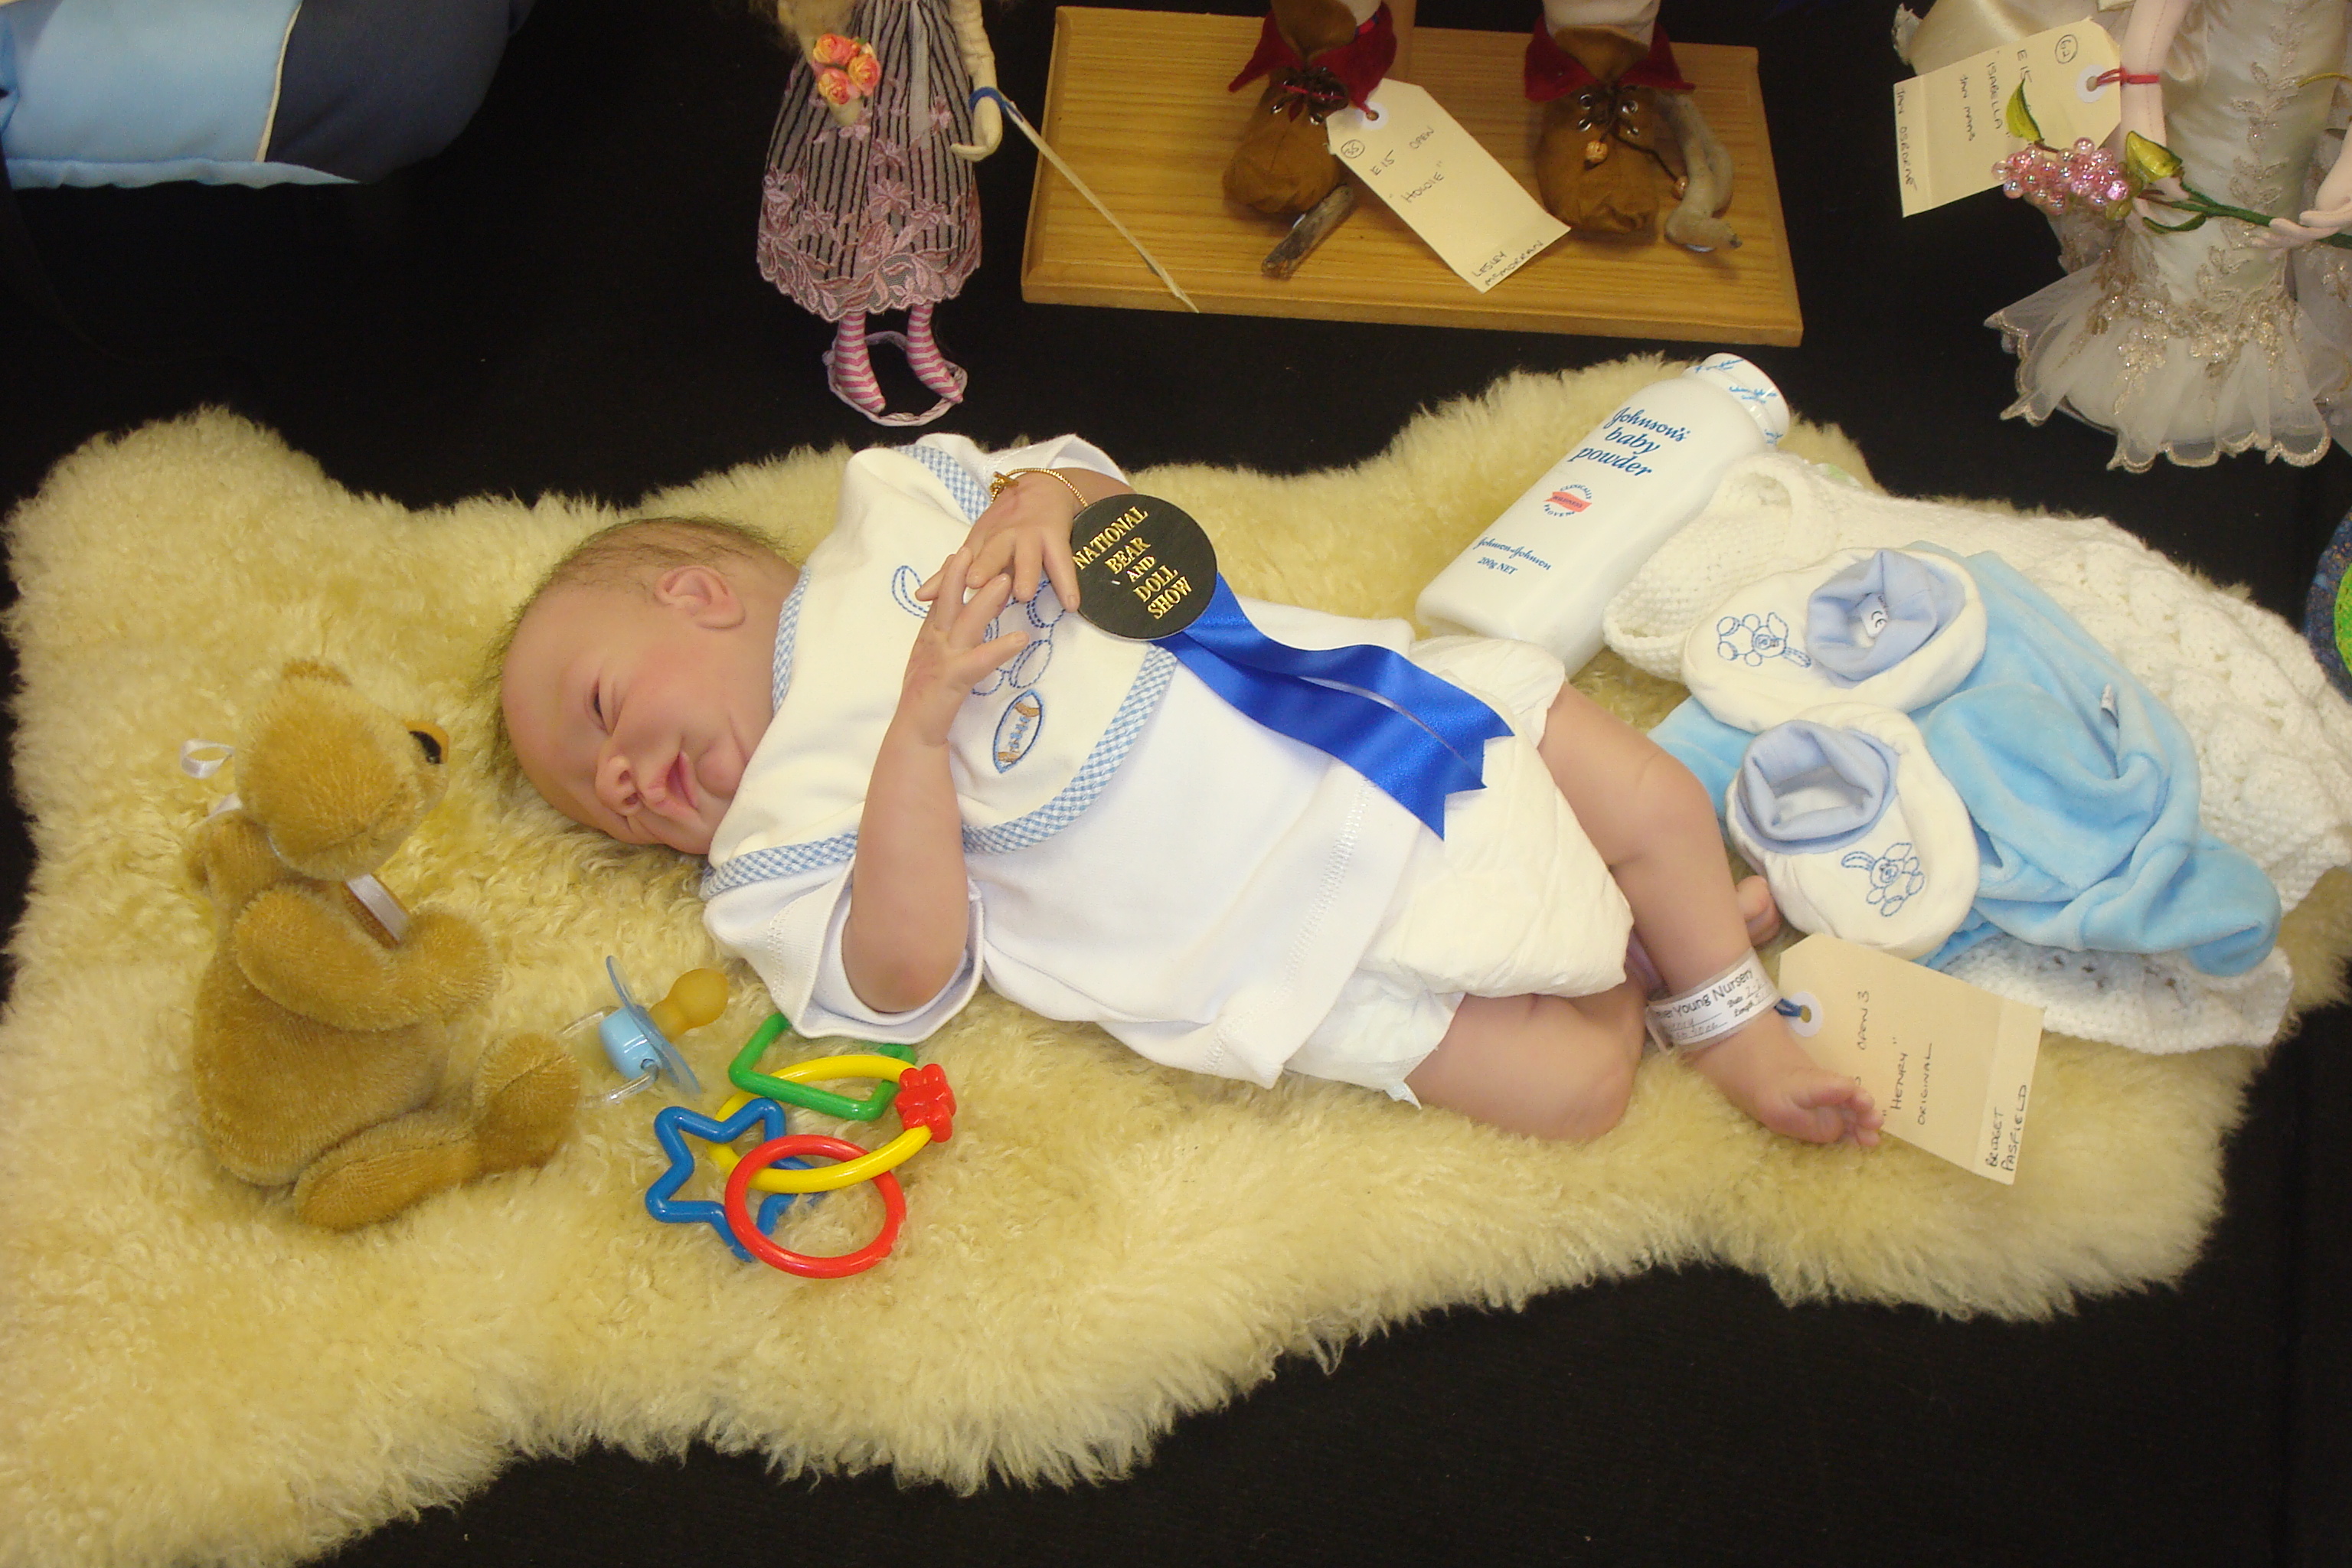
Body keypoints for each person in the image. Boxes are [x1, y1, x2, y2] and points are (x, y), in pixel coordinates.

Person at [495, 435, 1880, 1147]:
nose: (619, 781)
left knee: (1647, 795)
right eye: (599, 803)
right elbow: (901, 980)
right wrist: (913, 742)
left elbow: (1084, 489)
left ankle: (1729, 1018)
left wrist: (1045, 503)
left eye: (600, 715)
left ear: (697, 595)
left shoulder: (893, 516)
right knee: (1576, 1087)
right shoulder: (777, 848)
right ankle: (1635, 964)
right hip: (1268, 935)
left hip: (1356, 715)